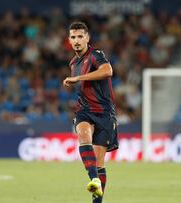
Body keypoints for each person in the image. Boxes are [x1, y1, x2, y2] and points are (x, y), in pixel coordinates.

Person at [63, 21, 118, 203]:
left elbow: (107, 71)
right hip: (84, 111)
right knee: (83, 133)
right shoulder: (73, 62)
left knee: (99, 162)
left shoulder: (95, 55)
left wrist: (78, 78)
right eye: (73, 37)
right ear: (69, 41)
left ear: (87, 38)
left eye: (80, 36)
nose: (77, 40)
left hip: (104, 113)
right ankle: (93, 179)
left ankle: (97, 199)